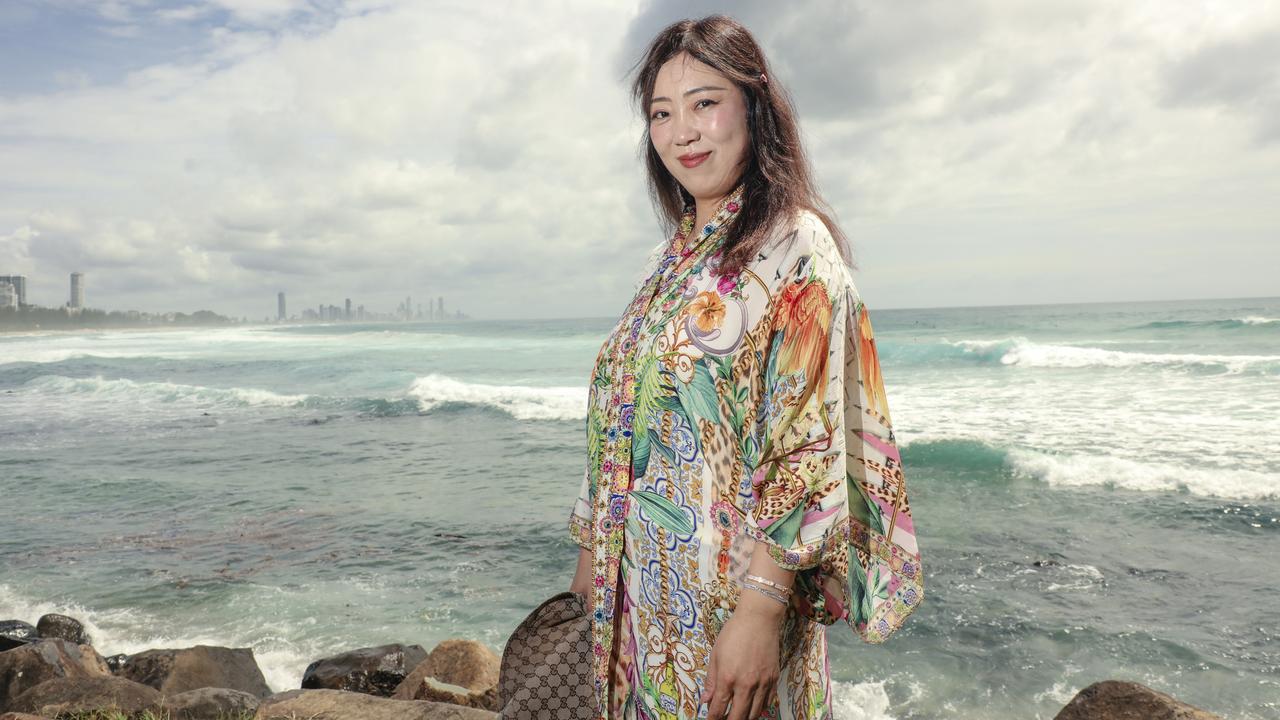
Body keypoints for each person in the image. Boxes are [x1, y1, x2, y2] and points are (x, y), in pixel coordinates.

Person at [567, 15, 924, 720]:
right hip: (636, 604)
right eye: (661, 114)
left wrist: (760, 612)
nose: (683, 132)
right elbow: (626, 418)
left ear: (754, 106)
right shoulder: (670, 260)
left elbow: (806, 442)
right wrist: (588, 567)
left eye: (705, 102)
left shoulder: (796, 246)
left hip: (726, 606)